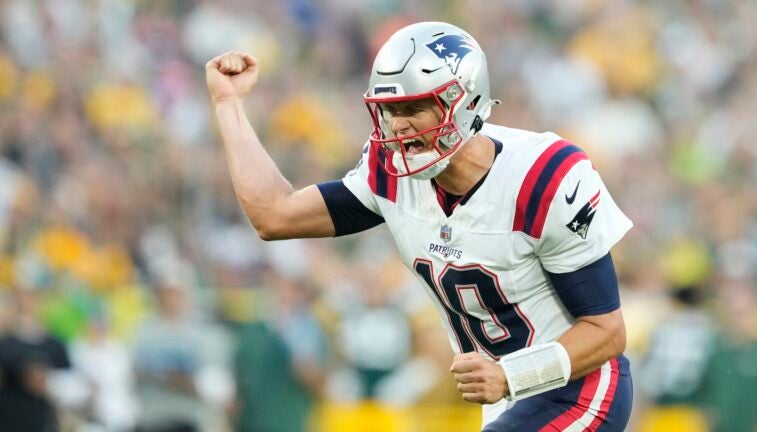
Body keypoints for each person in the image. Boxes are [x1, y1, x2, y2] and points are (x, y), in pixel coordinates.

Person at [206, 21, 633, 431]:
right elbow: (274, 215)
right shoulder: (391, 174)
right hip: (505, 398)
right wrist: (229, 106)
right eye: (390, 110)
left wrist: (511, 376)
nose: (398, 125)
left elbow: (607, 333)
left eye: (413, 108)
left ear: (464, 103)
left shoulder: (542, 178)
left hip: (577, 390)